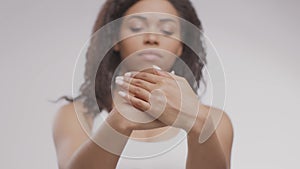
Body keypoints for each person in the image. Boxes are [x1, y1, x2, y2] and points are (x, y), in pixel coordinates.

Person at [52, 0, 234, 169]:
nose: (152, 37)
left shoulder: (216, 121)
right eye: (137, 27)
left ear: (181, 46)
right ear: (115, 40)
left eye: (167, 30)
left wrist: (198, 124)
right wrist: (118, 123)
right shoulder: (77, 115)